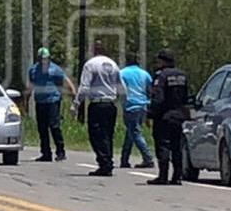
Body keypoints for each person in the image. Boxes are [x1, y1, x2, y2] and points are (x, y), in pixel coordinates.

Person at [75, 39, 124, 177]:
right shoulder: (114, 65)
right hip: (110, 104)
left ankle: (105, 163)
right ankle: (107, 162)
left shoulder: (90, 64)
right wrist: (123, 103)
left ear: (94, 51)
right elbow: (121, 86)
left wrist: (77, 103)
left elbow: (84, 87)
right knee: (108, 135)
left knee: (96, 135)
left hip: (97, 104)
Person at [148, 48, 192, 185]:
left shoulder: (161, 76)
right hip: (179, 115)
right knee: (176, 146)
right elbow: (186, 97)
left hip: (164, 116)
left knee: (163, 145)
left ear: (162, 61)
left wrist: (151, 113)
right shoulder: (182, 75)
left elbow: (158, 98)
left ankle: (163, 176)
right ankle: (177, 176)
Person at [27, 47, 75, 162]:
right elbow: (31, 85)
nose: (44, 61)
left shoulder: (55, 69)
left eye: (46, 59)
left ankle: (60, 151)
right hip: (40, 101)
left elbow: (65, 80)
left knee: (54, 126)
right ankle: (46, 153)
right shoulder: (33, 70)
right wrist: (27, 98)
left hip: (53, 100)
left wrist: (73, 92)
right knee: (42, 128)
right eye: (41, 59)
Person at [119, 55, 156, 169]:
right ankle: (124, 159)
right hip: (143, 105)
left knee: (135, 132)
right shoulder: (144, 74)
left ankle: (148, 158)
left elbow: (119, 89)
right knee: (131, 131)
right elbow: (150, 89)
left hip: (130, 105)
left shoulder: (122, 73)